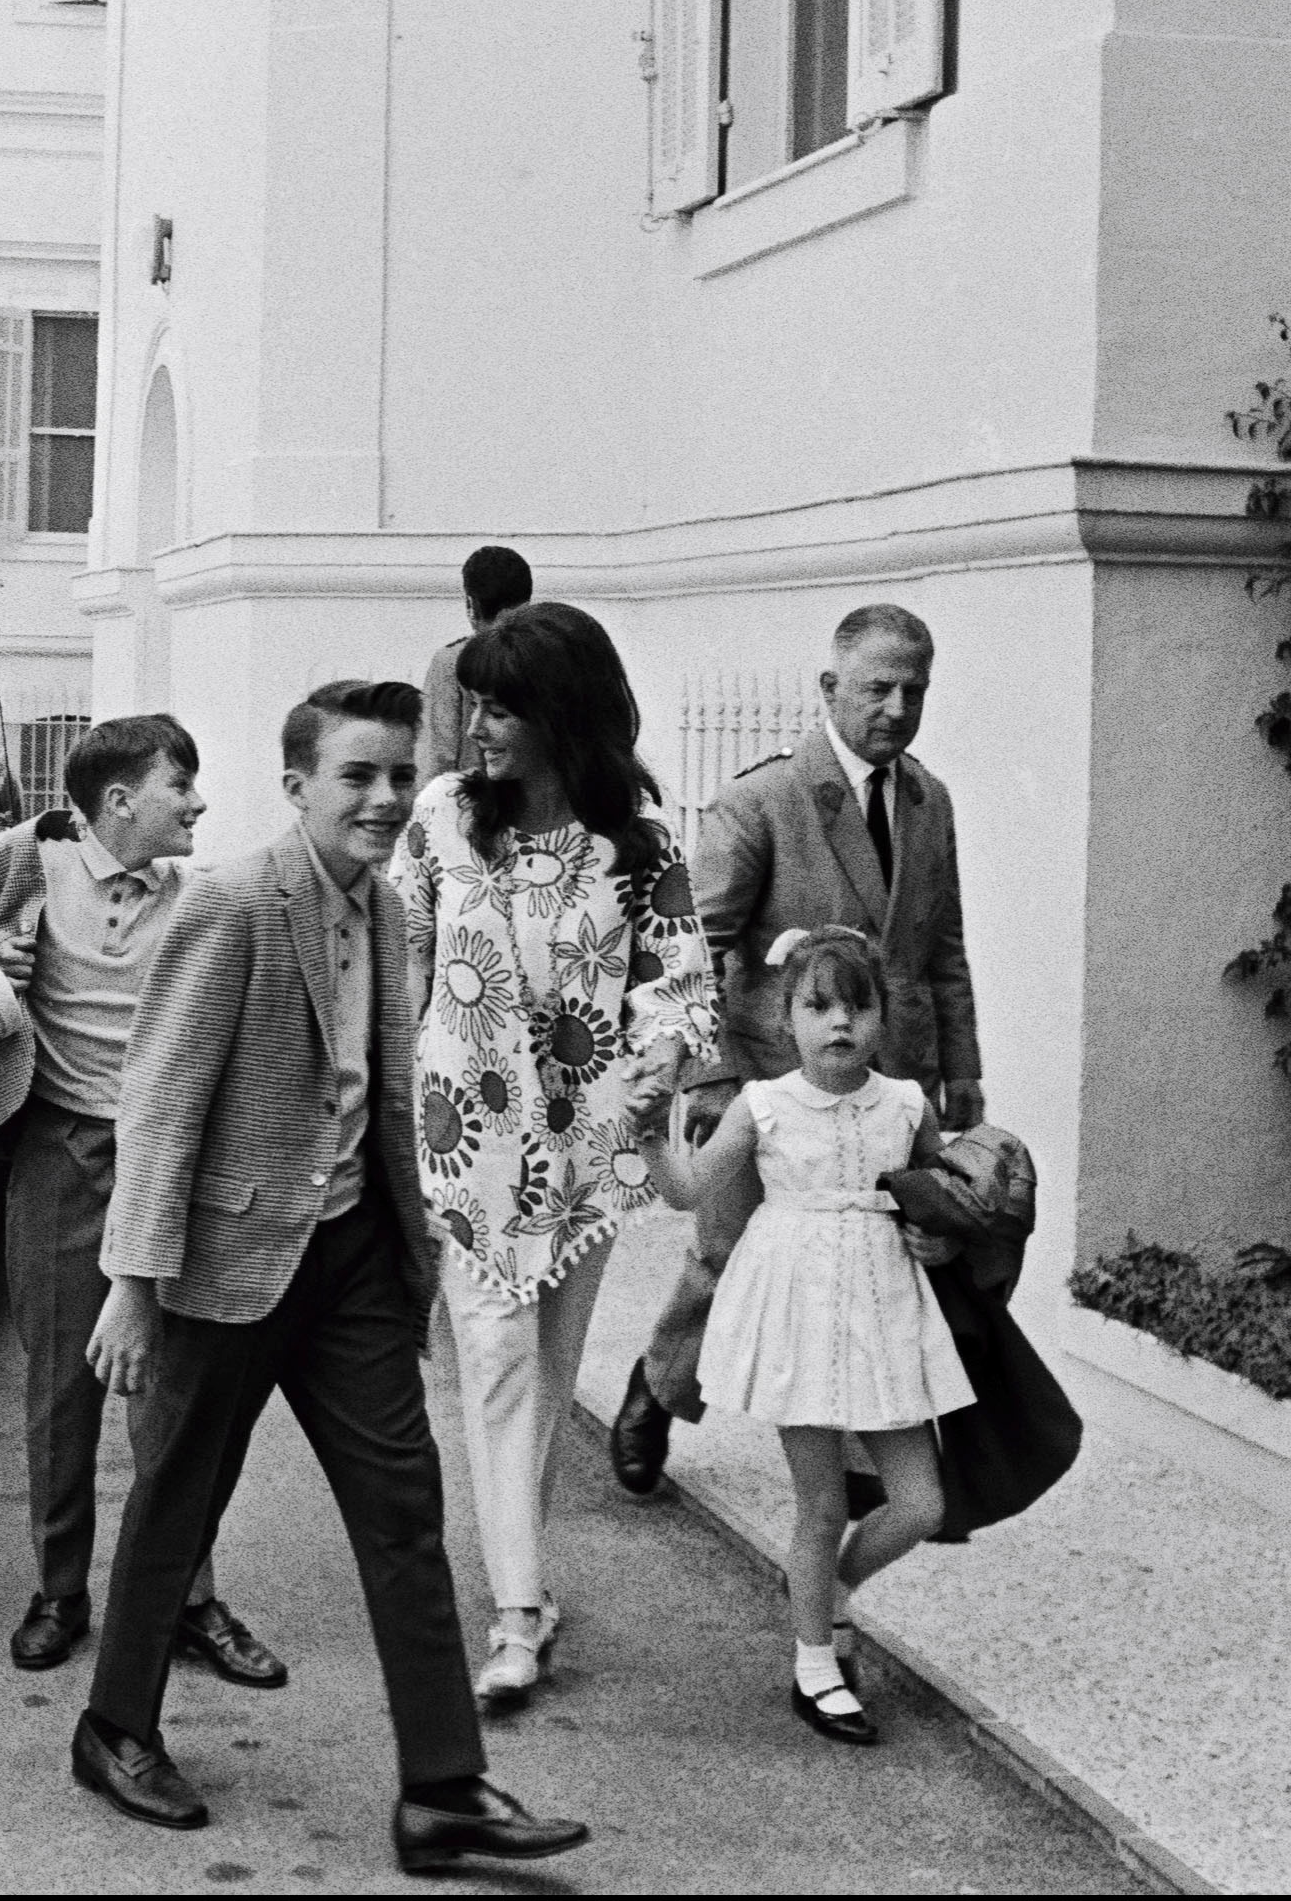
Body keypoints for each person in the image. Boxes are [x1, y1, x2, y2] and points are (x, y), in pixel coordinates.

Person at [69, 680, 588, 1873]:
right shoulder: (237, 901)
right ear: (296, 784)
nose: (386, 797)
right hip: (229, 1260)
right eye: (358, 775)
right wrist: (134, 1281)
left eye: (401, 774)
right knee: (176, 1498)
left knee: (405, 1513)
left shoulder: (399, 911)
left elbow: (392, 1088)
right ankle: (114, 1727)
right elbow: (160, 1097)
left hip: (351, 1257)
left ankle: (443, 1790)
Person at [386, 603, 714, 1711]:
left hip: (586, 1152)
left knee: (547, 1376)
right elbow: (397, 957)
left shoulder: (640, 847)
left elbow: (678, 986)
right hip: (465, 1145)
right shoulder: (441, 819)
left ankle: (516, 1581)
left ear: (561, 715)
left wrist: (656, 1066)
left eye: (502, 706)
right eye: (472, 701)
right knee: (497, 1368)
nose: (476, 725)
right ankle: (517, 1616)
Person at [614, 602, 982, 1498]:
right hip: (772, 1080)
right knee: (728, 1252)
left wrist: (962, 1071)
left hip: (887, 1085)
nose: (896, 707)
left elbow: (942, 950)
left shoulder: (929, 801)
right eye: (877, 688)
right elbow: (692, 944)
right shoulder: (763, 800)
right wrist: (710, 1080)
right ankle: (656, 1389)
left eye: (914, 690)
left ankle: (860, 1446)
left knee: (873, 1264)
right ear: (830, 688)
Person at [0, 714, 286, 1687]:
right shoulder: (29, 861)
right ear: (117, 802)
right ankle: (59, 1591)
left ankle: (188, 1597)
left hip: (170, 1167)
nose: (197, 802)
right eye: (179, 785)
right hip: (56, 1152)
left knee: (179, 1400)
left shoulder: (202, 899)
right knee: (61, 1386)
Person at [651, 925, 971, 1744]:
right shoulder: (763, 1107)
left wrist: (944, 1237)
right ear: (785, 1016)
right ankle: (815, 1660)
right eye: (817, 1005)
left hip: (884, 1311)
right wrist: (654, 1130)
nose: (839, 1024)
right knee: (821, 1502)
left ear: (880, 1018)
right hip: (797, 1308)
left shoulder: (906, 1105)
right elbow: (688, 1191)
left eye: (857, 1006)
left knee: (921, 1501)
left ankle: (830, 1591)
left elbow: (939, 1200)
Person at [416, 546, 531, 781]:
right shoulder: (553, 652)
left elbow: (438, 755)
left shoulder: (452, 661)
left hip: (475, 804)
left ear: (470, 603)